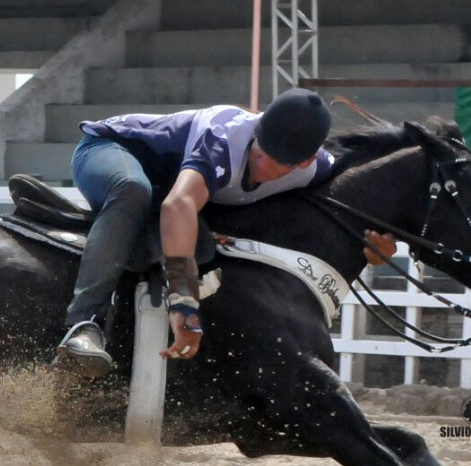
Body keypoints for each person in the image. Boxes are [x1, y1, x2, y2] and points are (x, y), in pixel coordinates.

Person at [56, 88, 397, 378]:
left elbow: (353, 205)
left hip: (169, 184)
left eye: (275, 163)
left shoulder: (318, 168)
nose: (260, 163)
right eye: (259, 150)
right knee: (133, 189)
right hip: (109, 150)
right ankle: (81, 324)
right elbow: (179, 206)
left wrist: (371, 242)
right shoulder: (222, 137)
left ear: (305, 163)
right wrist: (184, 302)